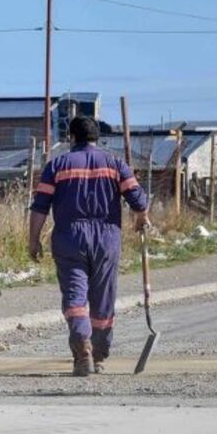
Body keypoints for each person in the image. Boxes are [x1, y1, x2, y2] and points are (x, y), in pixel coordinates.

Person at [29, 116, 150, 376]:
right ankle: (99, 352)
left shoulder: (57, 165)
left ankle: (82, 346)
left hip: (69, 237)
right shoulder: (115, 164)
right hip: (107, 238)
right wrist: (141, 217)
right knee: (103, 299)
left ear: (72, 137)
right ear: (97, 138)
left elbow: (40, 206)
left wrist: (33, 240)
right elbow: (138, 198)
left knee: (75, 296)